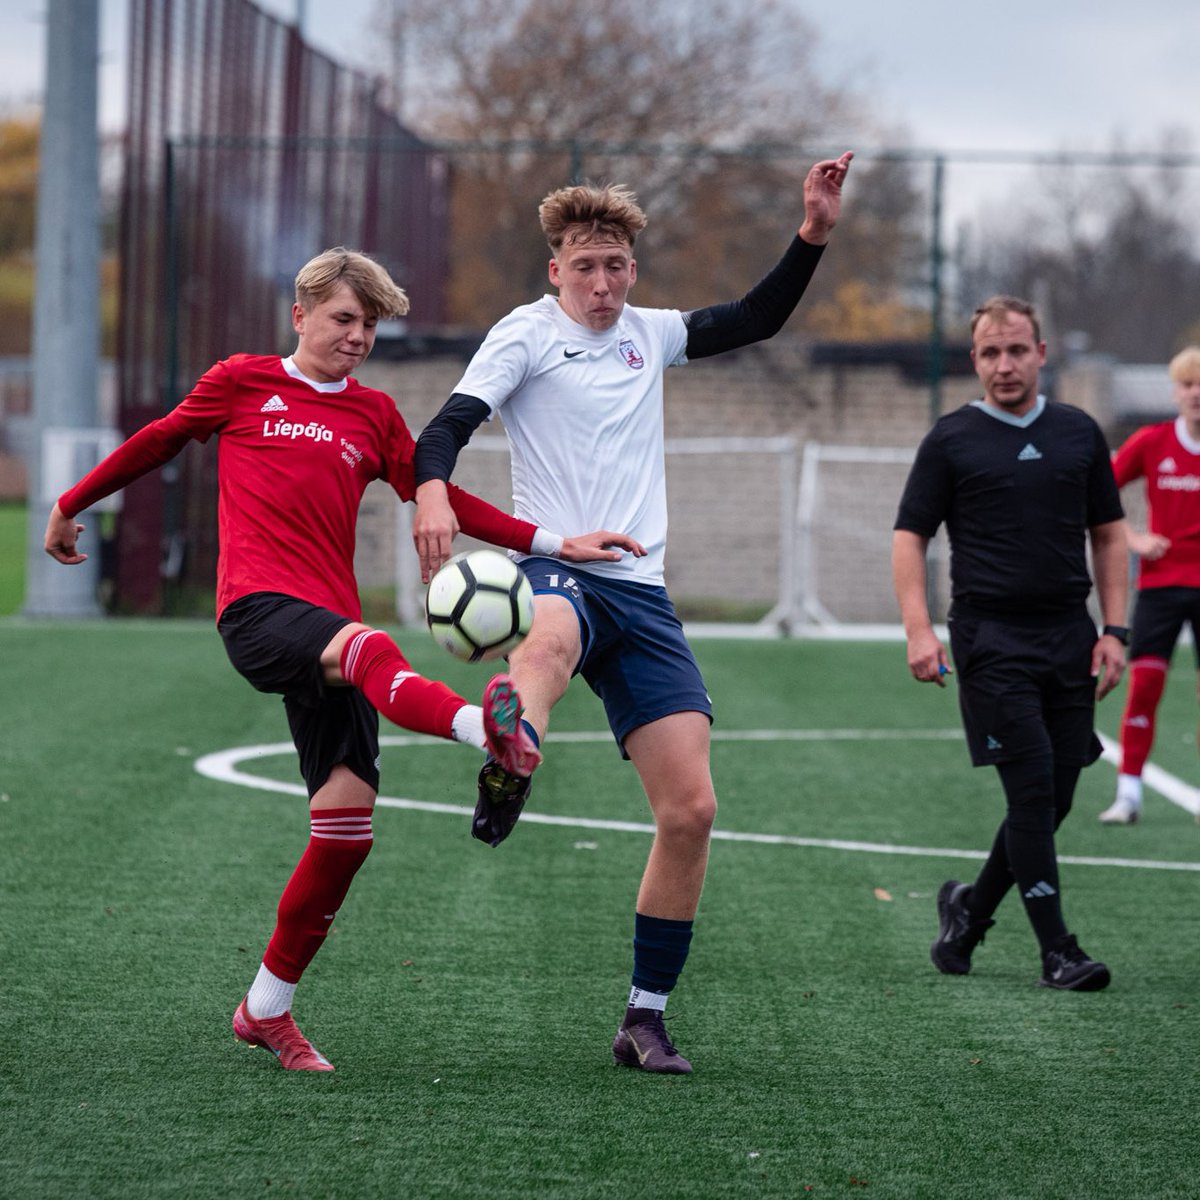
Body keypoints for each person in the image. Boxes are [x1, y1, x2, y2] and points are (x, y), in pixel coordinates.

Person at [44, 247, 642, 1072]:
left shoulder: (373, 416)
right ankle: (487, 730)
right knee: (372, 650)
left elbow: (442, 497)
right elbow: (160, 440)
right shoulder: (243, 382)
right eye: (343, 319)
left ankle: (265, 1010)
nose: (357, 337)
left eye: (369, 326)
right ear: (301, 315)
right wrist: (72, 502)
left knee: (347, 827)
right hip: (257, 611)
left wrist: (551, 541)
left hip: (329, 627)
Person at [410, 152, 854, 1073]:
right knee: (552, 637)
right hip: (553, 567)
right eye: (585, 265)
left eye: (615, 265)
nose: (602, 282)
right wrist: (431, 491)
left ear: (632, 269)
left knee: (691, 809)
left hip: (642, 591)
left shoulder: (650, 334)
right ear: (555, 269)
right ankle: (512, 749)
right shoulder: (524, 335)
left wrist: (811, 231)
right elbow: (445, 426)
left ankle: (644, 1017)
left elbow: (756, 318)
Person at [892, 295, 1128, 992]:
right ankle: (1059, 951)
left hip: (1070, 637)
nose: (1004, 365)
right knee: (1030, 798)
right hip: (990, 640)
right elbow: (911, 536)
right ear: (975, 360)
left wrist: (1115, 630)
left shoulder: (1079, 432)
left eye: (1016, 350)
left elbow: (1110, 535)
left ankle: (968, 913)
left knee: (1052, 801)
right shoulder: (951, 438)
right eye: (990, 353)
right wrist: (918, 628)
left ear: (1041, 353)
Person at [1099, 346, 1200, 825]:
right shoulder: (1151, 442)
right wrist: (1134, 538)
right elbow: (1097, 497)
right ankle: (1129, 794)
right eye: (1187, 384)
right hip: (1160, 585)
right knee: (1145, 686)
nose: (1196, 393)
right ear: (1175, 391)